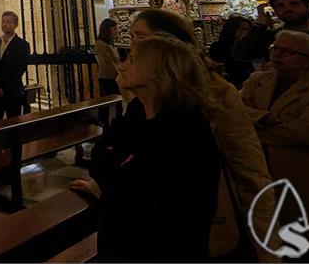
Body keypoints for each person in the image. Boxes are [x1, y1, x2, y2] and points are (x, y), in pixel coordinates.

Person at [129, 8, 277, 262]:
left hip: (204, 219)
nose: (132, 46)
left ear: (168, 42)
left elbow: (249, 167)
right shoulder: (140, 91)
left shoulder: (216, 92)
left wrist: (267, 245)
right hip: (149, 218)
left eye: (140, 37)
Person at [87, 34, 220, 262]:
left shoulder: (184, 126)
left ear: (160, 72)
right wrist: (113, 164)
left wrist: (113, 163)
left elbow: (131, 183)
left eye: (133, 60)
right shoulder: (139, 109)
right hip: (122, 240)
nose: (121, 65)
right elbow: (100, 156)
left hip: (162, 247)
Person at [242, 31, 309, 257]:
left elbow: (308, 132)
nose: (277, 55)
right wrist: (266, 119)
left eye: (286, 51)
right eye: (274, 48)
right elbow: (236, 113)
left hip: (305, 178)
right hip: (262, 175)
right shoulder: (258, 81)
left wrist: (253, 132)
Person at [233, 0, 309, 63]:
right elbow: (241, 53)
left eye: (294, 4)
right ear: (274, 10)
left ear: (308, 7)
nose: (288, 9)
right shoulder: (272, 37)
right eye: (280, 5)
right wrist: (261, 25)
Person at [0, 11, 30, 120]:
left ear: (15, 25)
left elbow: (19, 69)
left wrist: (2, 87)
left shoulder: (22, 45)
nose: (5, 24)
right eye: (3, 21)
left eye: (8, 22)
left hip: (12, 91)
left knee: (13, 123)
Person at [209, 15, 255, 89]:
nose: (246, 33)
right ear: (232, 30)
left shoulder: (246, 47)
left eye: (248, 30)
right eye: (242, 29)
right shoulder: (218, 47)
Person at [94, 18, 121, 97]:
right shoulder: (101, 45)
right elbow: (107, 63)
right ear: (107, 30)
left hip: (114, 77)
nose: (117, 31)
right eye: (115, 29)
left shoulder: (110, 44)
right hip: (108, 78)